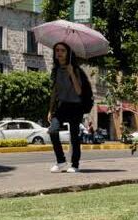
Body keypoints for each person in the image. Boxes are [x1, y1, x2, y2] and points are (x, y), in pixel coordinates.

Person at [47, 42, 92, 173]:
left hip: (75, 106)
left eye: (62, 50)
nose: (59, 53)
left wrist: (72, 73)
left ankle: (75, 164)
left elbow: (79, 91)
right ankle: (61, 161)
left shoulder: (76, 69)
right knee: (53, 130)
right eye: (57, 50)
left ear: (68, 53)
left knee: (74, 136)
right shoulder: (55, 70)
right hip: (61, 106)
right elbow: (54, 92)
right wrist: (50, 110)